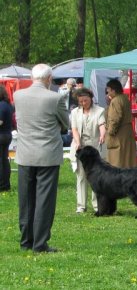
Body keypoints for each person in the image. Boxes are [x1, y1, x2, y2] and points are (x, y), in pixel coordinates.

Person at [14, 64, 70, 253]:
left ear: (32, 77)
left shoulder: (18, 96)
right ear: (49, 78)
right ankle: (40, 243)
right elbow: (65, 123)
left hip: (25, 154)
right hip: (47, 154)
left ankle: (26, 241)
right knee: (44, 200)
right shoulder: (55, 98)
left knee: (26, 200)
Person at [69, 88, 105, 213]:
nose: (84, 103)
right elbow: (74, 129)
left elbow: (102, 125)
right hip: (80, 147)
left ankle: (97, 205)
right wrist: (78, 143)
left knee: (97, 176)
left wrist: (102, 135)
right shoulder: (74, 112)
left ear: (91, 98)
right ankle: (81, 206)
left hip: (95, 147)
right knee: (81, 176)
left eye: (86, 100)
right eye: (81, 101)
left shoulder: (100, 111)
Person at [105, 79, 137, 168]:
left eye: (108, 90)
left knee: (117, 162)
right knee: (127, 160)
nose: (107, 92)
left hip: (119, 134)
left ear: (113, 90)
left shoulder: (116, 100)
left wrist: (110, 133)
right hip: (127, 132)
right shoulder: (125, 98)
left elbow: (115, 119)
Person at [0, 86, 14, 192]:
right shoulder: (8, 105)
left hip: (2, 135)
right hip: (7, 134)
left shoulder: (1, 105)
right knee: (4, 160)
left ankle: (2, 184)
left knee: (2, 161)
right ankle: (5, 184)